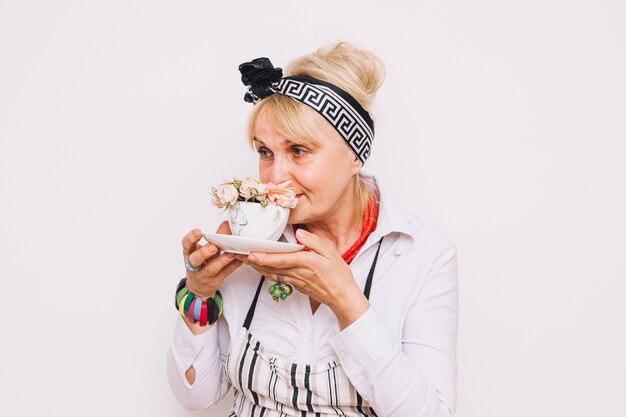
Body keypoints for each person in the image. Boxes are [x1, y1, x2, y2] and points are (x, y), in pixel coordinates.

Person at [166, 41, 459, 417]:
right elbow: (196, 398)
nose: (275, 177)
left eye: (298, 151)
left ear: (354, 156)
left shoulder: (423, 254)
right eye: (265, 152)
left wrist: (345, 300)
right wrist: (198, 295)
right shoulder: (247, 243)